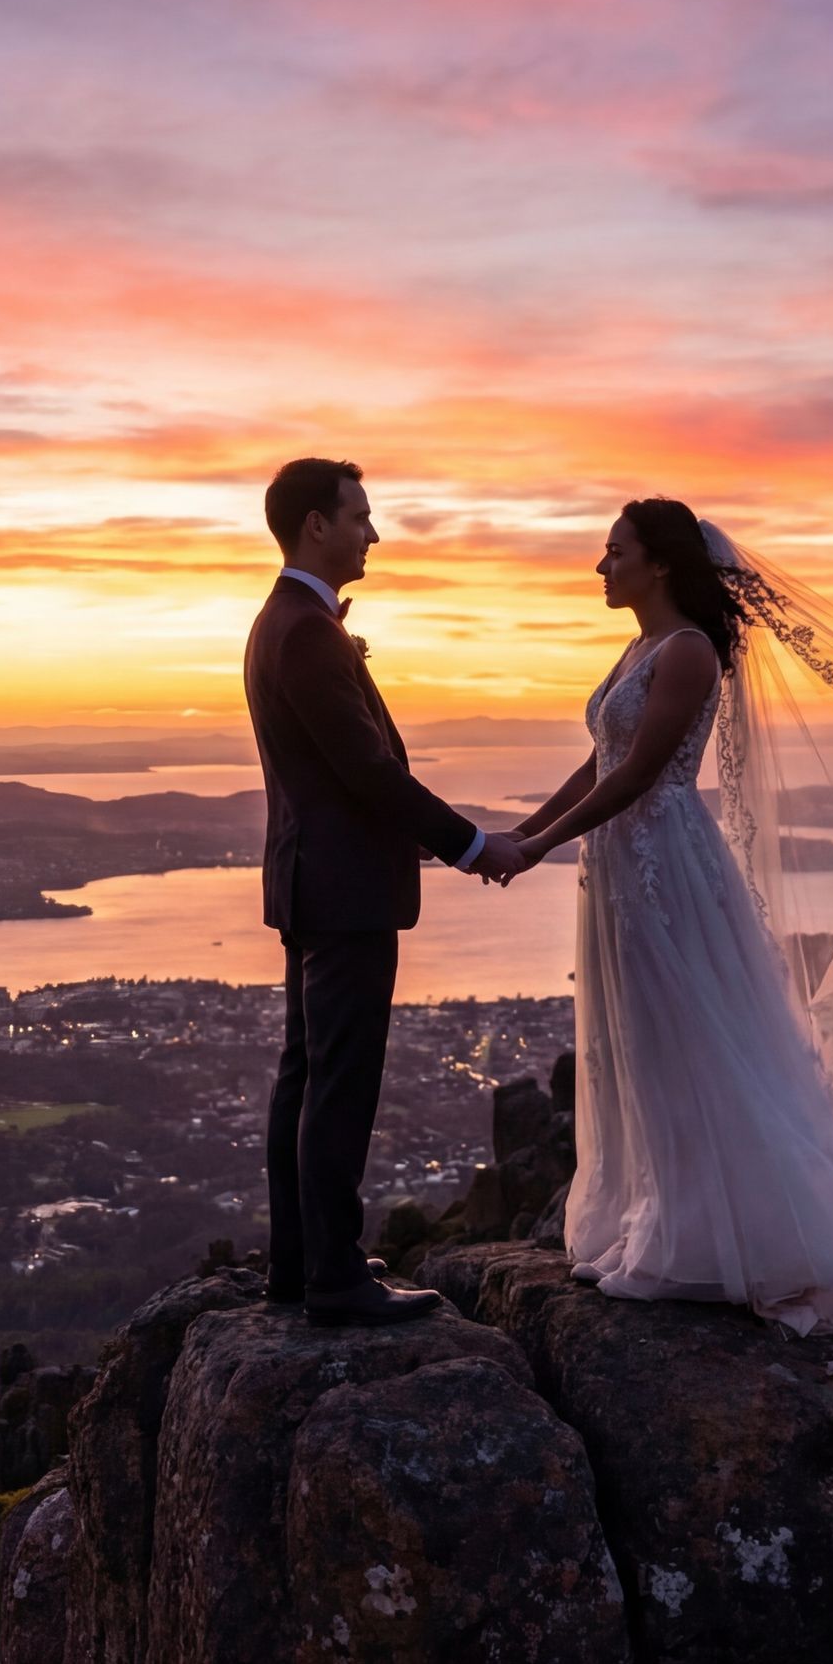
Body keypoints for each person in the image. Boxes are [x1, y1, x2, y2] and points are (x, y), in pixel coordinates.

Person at [496, 498, 833, 1405]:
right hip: (620, 865)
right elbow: (601, 761)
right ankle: (657, 1216)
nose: (598, 566)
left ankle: (717, 1236)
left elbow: (645, 772)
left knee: (684, 1039)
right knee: (638, 1044)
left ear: (657, 562)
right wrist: (522, 831)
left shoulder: (688, 650)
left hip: (665, 866)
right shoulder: (637, 649)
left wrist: (538, 847)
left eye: (613, 551)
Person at [242, 457, 529, 1327]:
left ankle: (302, 1262)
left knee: (306, 1077)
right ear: (316, 525)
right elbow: (369, 774)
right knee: (339, 1084)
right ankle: (332, 1277)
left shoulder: (282, 622)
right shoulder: (306, 633)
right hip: (345, 893)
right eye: (360, 515)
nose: (374, 532)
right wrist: (475, 845)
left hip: (310, 885)